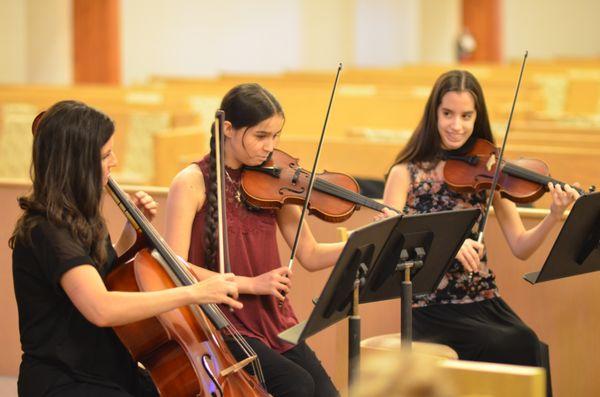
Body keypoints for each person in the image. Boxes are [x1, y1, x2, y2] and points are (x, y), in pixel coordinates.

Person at [10, 100, 241, 397]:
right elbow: (101, 307)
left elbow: (98, 273)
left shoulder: (80, 216)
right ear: (77, 163)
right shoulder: (47, 230)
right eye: (106, 154)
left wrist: (128, 234)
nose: (115, 161)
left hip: (108, 369)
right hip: (66, 381)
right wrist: (192, 292)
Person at [165, 83, 379, 397]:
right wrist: (252, 284)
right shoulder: (191, 182)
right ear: (227, 129)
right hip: (221, 322)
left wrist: (365, 240)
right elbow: (174, 268)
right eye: (261, 136)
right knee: (295, 385)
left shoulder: (272, 181)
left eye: (276, 136)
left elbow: (310, 253)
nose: (270, 147)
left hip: (273, 319)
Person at [383, 70, 580, 396]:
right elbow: (390, 241)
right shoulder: (405, 173)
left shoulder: (488, 171)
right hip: (432, 307)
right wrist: (444, 246)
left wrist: (554, 215)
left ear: (477, 118)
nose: (456, 125)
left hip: (484, 300)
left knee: (528, 342)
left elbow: (521, 246)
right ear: (434, 113)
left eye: (466, 116)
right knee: (510, 344)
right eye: (447, 114)